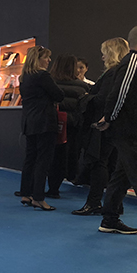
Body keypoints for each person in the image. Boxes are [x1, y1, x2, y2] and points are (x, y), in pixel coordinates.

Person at [73, 38, 129, 215]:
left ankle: (94, 202)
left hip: (103, 124)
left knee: (99, 163)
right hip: (114, 124)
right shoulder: (121, 73)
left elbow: (102, 99)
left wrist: (86, 97)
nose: (102, 57)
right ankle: (114, 205)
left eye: (104, 53)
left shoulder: (112, 74)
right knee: (111, 164)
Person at [96, 25, 137, 234]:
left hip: (131, 130)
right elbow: (120, 93)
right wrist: (110, 118)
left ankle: (109, 219)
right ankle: (110, 218)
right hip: (129, 131)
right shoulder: (133, 61)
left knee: (121, 176)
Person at [18, 46, 64, 210]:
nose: (49, 60)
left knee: (30, 158)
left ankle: (26, 193)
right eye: (46, 57)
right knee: (43, 160)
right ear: (38, 59)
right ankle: (38, 197)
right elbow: (59, 95)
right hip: (45, 122)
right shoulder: (43, 76)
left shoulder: (23, 77)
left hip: (29, 122)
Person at [46, 54, 90, 198]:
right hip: (72, 126)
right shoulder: (83, 87)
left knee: (50, 157)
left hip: (51, 124)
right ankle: (62, 183)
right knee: (69, 156)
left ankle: (49, 189)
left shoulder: (49, 83)